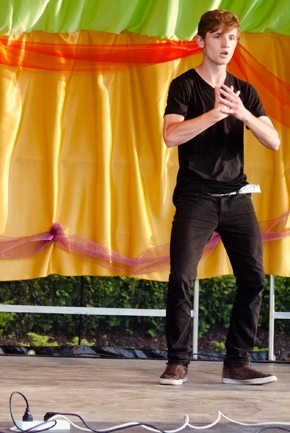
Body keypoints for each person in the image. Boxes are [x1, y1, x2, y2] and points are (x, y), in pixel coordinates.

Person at [159, 10, 280, 386]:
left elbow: (274, 141)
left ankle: (237, 363)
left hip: (237, 196)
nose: (226, 44)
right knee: (181, 277)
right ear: (201, 41)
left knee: (254, 278)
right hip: (196, 196)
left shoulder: (245, 91)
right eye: (218, 37)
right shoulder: (184, 86)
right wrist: (214, 114)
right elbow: (171, 136)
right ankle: (177, 361)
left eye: (232, 38)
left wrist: (244, 114)